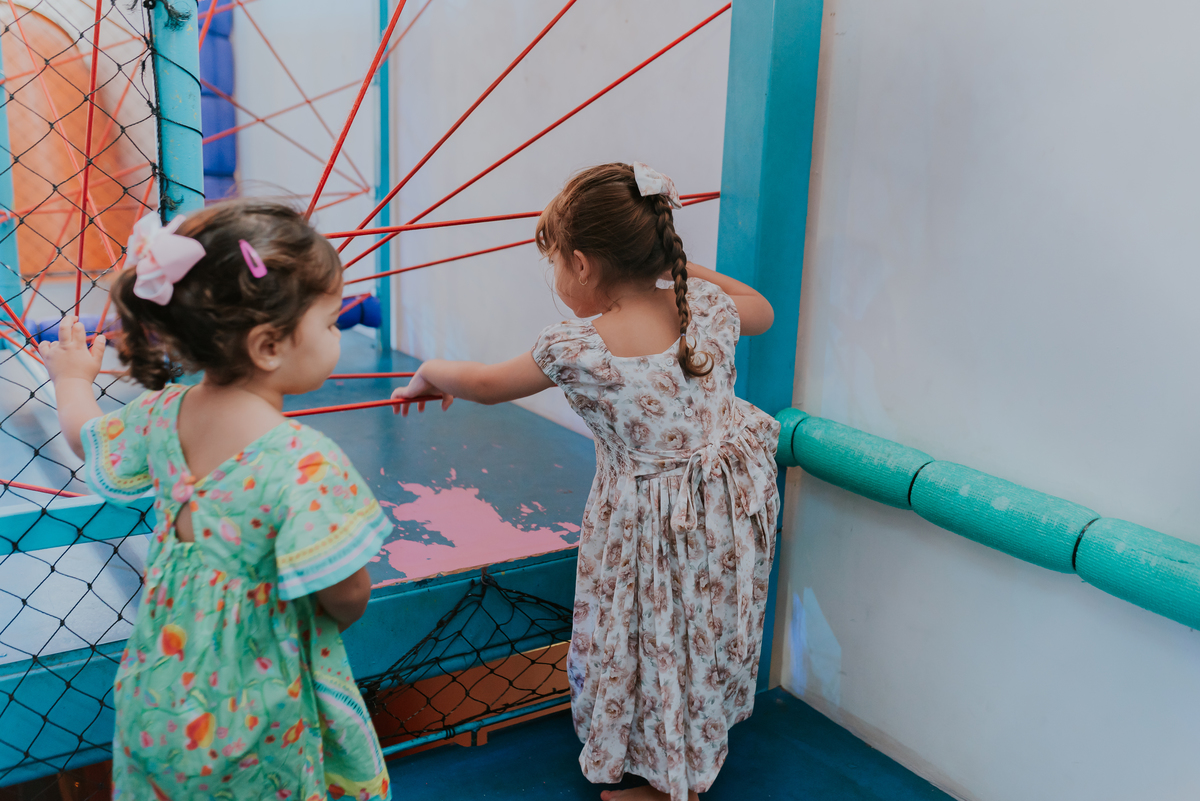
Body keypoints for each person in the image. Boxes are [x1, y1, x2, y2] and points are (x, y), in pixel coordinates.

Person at [391, 163, 781, 801]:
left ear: (581, 264)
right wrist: (678, 268)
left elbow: (487, 385)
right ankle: (692, 745)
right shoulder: (705, 306)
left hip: (655, 521)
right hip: (727, 507)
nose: (555, 281)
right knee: (701, 630)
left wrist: (430, 370)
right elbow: (761, 310)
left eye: (554, 266)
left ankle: (664, 786)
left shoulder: (577, 348)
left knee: (654, 632)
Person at [40, 200, 392, 801]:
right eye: (331, 322)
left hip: (160, 689)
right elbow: (347, 592)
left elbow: (85, 436)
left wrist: (73, 381)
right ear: (269, 346)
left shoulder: (161, 414)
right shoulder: (302, 461)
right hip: (259, 706)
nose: (336, 334)